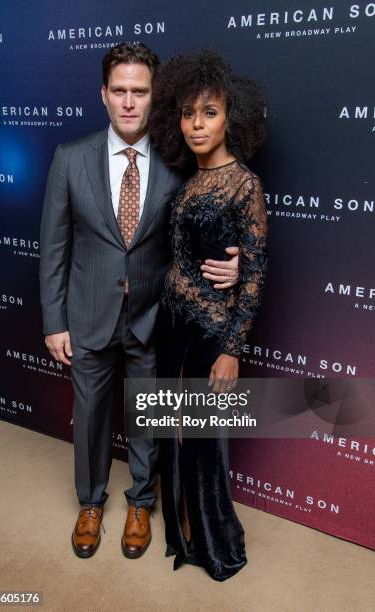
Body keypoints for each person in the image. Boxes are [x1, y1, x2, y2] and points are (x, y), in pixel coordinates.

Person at [39, 43, 241, 560]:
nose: (130, 102)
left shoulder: (179, 162)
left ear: (155, 98)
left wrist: (236, 261)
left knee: (148, 417)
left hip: (155, 319)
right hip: (86, 316)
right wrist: (54, 321)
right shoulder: (70, 158)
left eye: (141, 92)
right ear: (104, 95)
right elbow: (55, 247)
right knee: (89, 418)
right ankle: (90, 503)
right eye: (120, 91)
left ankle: (140, 501)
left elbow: (203, 228)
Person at [149, 50, 268, 580]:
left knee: (203, 439)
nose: (197, 124)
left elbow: (258, 270)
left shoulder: (245, 186)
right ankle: (182, 529)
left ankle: (213, 541)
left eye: (210, 112)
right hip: (171, 323)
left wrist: (231, 349)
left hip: (211, 330)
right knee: (172, 429)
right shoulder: (190, 180)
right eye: (188, 113)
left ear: (231, 118)